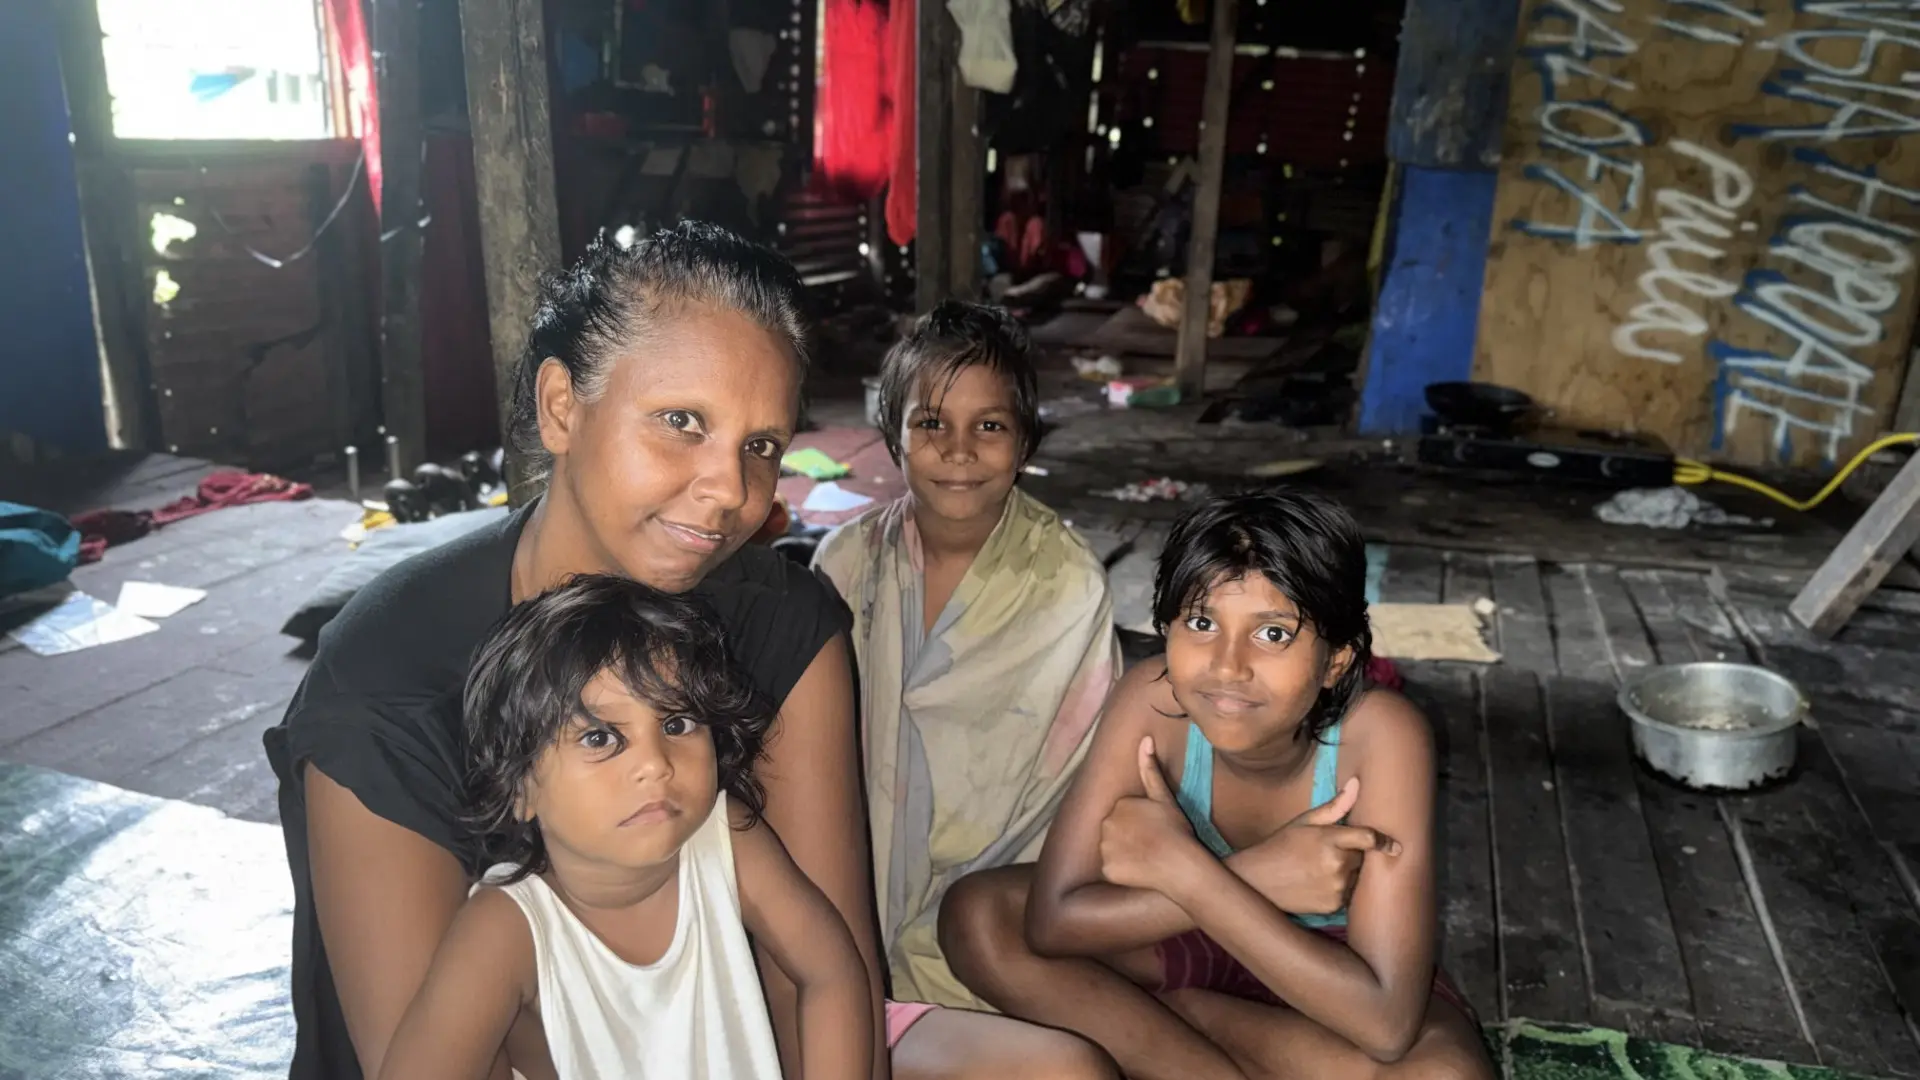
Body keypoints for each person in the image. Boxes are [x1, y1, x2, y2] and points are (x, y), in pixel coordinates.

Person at [263, 222, 1114, 1080]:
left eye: (761, 446)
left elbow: (818, 975)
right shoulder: (393, 677)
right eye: (681, 422)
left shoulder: (776, 620)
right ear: (562, 406)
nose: (730, 492)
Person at [939, 491, 1495, 1080]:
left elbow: (1384, 1026)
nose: (1227, 667)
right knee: (978, 914)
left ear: (1335, 660)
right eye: (1202, 623)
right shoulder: (1151, 700)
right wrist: (1254, 877)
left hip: (1328, 967)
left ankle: (1181, 1024)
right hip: (1181, 938)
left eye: (1273, 634)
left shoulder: (1382, 736)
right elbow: (1051, 922)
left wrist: (1184, 873)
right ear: (1167, 628)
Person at [380, 575, 870, 1079]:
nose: (655, 764)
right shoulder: (506, 932)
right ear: (519, 787)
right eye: (599, 737)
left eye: (677, 724)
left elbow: (830, 970)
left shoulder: (727, 840)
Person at [812, 302, 1118, 1009]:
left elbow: (1069, 784)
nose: (959, 450)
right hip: (853, 887)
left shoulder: (1066, 582)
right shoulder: (848, 564)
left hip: (997, 910)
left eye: (990, 425)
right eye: (931, 424)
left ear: (1025, 441)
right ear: (893, 437)